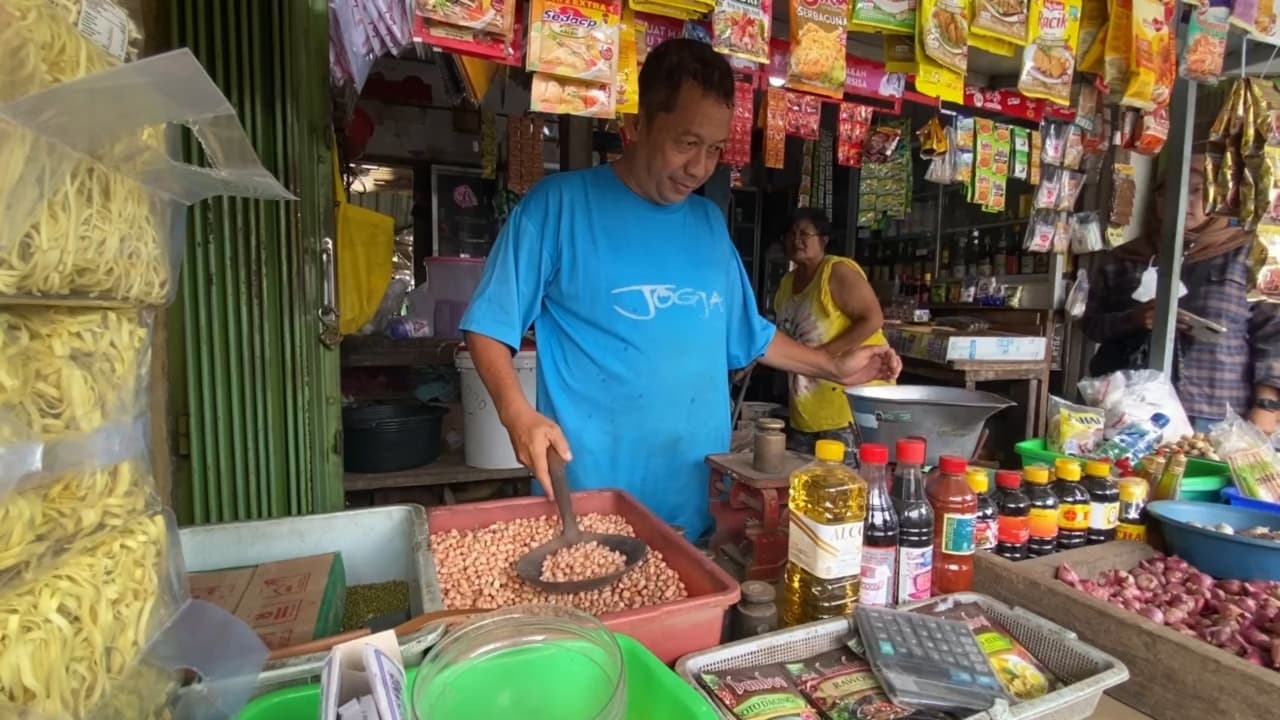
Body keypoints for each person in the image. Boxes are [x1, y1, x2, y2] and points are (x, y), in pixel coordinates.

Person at [459, 39, 901, 538]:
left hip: (696, 502)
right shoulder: (556, 208)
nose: (700, 168)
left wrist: (832, 365)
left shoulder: (709, 223)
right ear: (637, 125)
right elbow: (489, 326)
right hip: (589, 507)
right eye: (686, 143)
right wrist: (516, 413)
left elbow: (747, 333)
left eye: (714, 149)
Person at [1082, 153, 1280, 435]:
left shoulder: (1247, 257)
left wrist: (1267, 406)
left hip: (1213, 413)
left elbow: (1273, 335)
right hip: (1127, 408)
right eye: (1170, 190)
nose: (1181, 200)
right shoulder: (1126, 258)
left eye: (1198, 191)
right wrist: (1134, 319)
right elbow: (1091, 325)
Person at [774, 208, 889, 457]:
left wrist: (822, 357)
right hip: (806, 408)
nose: (796, 240)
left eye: (804, 233)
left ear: (823, 240)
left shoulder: (836, 272)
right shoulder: (786, 283)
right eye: (790, 234)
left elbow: (873, 319)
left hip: (845, 406)